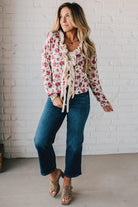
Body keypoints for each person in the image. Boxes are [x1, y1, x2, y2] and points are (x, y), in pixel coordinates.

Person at [34, 2, 113, 205]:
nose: (63, 20)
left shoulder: (88, 46)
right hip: (57, 98)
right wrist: (53, 95)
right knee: (41, 140)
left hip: (80, 99)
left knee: (74, 143)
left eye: (68, 16)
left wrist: (102, 100)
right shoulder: (52, 39)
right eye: (61, 16)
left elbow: (93, 76)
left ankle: (67, 183)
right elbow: (45, 69)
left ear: (77, 18)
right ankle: (54, 175)